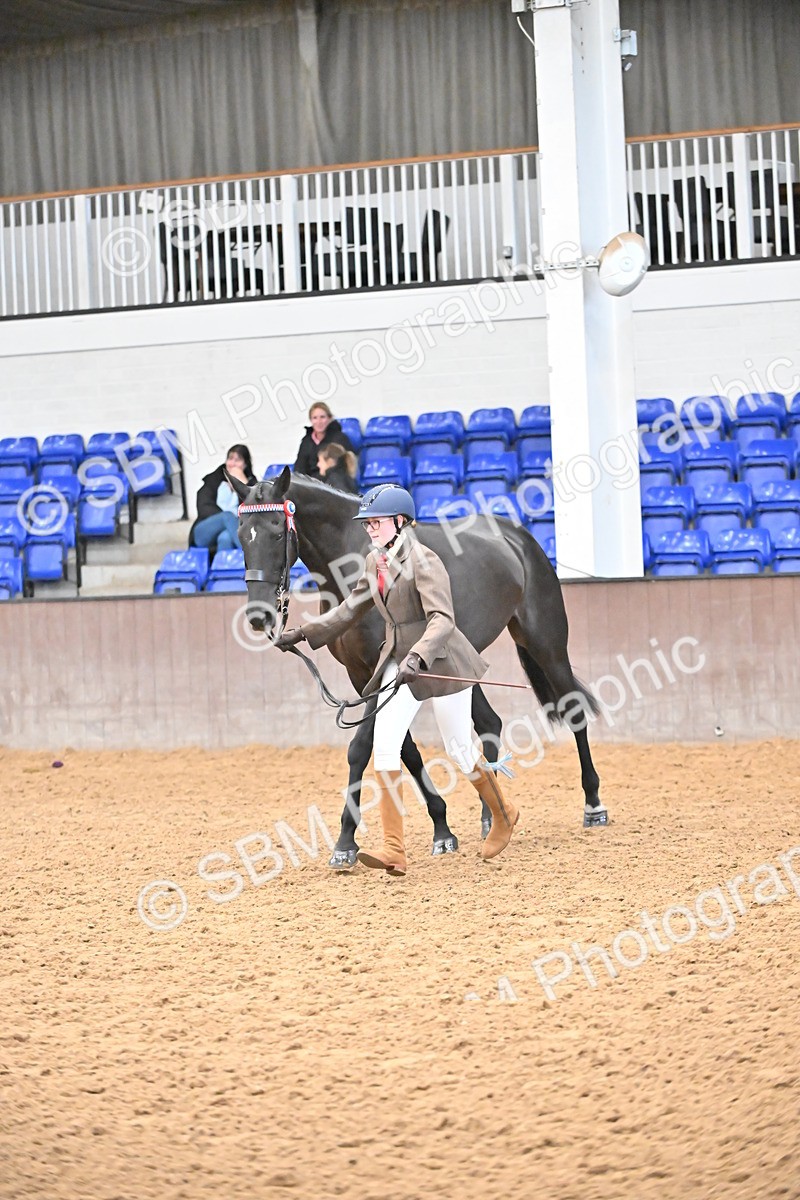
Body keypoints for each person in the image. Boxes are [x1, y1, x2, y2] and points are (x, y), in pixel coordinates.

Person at [274, 484, 519, 875]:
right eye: (367, 523)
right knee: (385, 747)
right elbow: (350, 608)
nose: (369, 528)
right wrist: (304, 633)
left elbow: (442, 619)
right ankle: (394, 849)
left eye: (377, 522)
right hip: (398, 658)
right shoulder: (375, 562)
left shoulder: (424, 560)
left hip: (441, 660)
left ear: (400, 522)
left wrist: (419, 655)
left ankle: (503, 811)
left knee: (458, 747)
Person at [189, 444, 257, 552]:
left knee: (225, 538)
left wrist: (244, 484)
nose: (233, 463)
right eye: (230, 459)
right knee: (227, 517)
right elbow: (203, 506)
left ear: (245, 465)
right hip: (204, 530)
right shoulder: (213, 480)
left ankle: (225, 568)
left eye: (238, 460)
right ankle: (252, 554)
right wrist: (228, 520)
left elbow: (255, 509)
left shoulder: (251, 484)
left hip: (232, 531)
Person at [293, 402, 355, 478]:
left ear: (329, 418)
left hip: (332, 483)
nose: (319, 422)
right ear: (311, 420)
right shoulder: (306, 441)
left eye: (322, 417)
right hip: (310, 485)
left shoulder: (340, 438)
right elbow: (299, 468)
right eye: (315, 418)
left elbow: (344, 467)